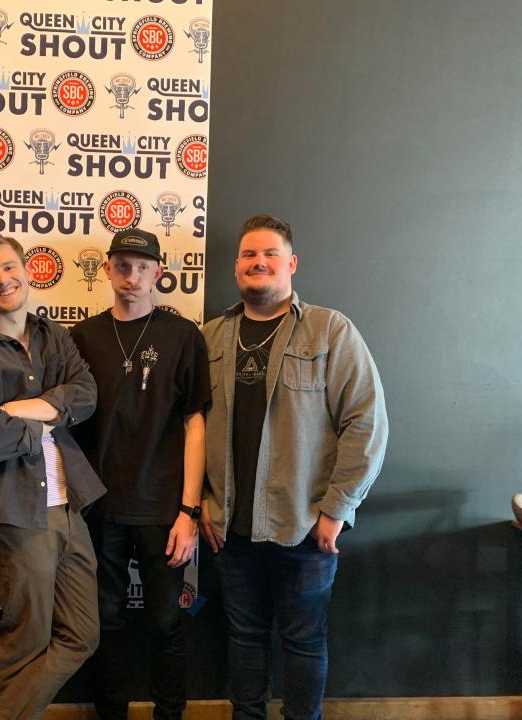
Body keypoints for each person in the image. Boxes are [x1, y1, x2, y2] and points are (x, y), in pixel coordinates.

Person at [200, 214, 388, 720]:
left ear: (291, 264)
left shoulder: (331, 330)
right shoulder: (212, 337)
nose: (257, 262)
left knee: (304, 642)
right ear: (236, 267)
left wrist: (337, 509)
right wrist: (200, 503)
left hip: (304, 527)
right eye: (247, 255)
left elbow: (367, 424)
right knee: (243, 639)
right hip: (230, 529)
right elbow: (190, 427)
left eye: (268, 254)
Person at [0, 232, 105, 720]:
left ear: (28, 271)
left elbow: (87, 393)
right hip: (14, 509)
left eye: (9, 267)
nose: (2, 279)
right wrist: (55, 415)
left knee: (82, 634)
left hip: (69, 504)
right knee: (24, 638)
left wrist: (23, 411)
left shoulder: (54, 336)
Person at [70, 229, 209, 720]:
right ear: (106, 268)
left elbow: (196, 422)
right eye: (123, 266)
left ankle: (169, 714)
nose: (132, 277)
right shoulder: (81, 337)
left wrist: (190, 510)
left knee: (166, 621)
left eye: (142, 267)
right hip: (100, 509)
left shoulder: (182, 335)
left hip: (162, 509)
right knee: (105, 623)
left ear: (159, 273)